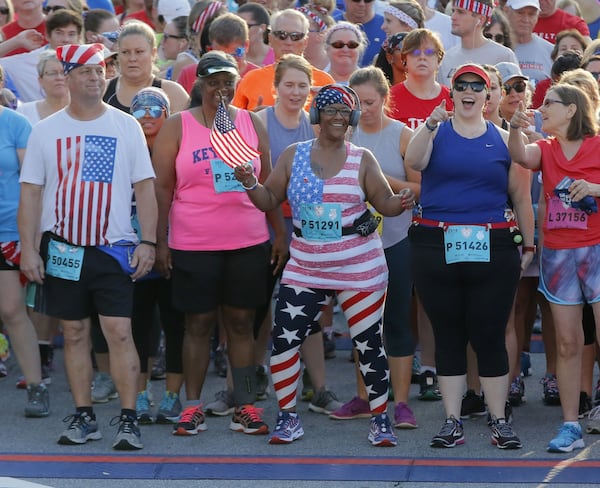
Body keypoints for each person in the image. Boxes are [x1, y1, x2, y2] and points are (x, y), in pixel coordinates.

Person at [233, 83, 415, 446]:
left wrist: (402, 201)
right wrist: (250, 182)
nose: (337, 117)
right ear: (316, 116)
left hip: (359, 266)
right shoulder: (292, 155)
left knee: (367, 344)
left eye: (344, 111)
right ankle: (288, 418)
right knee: (284, 342)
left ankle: (381, 421)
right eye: (329, 110)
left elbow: (384, 202)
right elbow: (269, 198)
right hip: (306, 267)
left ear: (353, 118)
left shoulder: (362, 157)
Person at [18, 43, 157, 450]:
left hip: (113, 247)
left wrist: (147, 240)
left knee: (118, 331)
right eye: (86, 72)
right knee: (74, 332)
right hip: (63, 249)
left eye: (100, 71)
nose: (96, 78)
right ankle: (84, 416)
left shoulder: (126, 125)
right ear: (68, 77)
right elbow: (31, 194)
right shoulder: (45, 131)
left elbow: (145, 188)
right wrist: (28, 249)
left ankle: (128, 420)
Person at [152, 51, 286, 437]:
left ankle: (245, 405)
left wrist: (279, 233)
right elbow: (162, 188)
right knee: (197, 325)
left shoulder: (250, 122)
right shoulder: (179, 126)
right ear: (199, 85)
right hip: (194, 242)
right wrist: (161, 242)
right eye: (213, 82)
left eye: (228, 82)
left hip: (247, 239)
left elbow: (269, 182)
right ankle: (191, 407)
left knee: (242, 324)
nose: (221, 90)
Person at [405, 63, 534, 450]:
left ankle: (499, 419)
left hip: (493, 246)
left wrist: (529, 245)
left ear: (488, 95)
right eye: (462, 84)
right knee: (448, 334)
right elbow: (414, 162)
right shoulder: (436, 130)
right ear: (452, 90)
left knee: (490, 333)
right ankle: (451, 420)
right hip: (435, 244)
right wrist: (429, 124)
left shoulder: (501, 136)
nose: (469, 91)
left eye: (477, 86)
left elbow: (521, 196)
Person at [508, 83, 600, 453]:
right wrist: (514, 127)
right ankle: (570, 425)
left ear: (572, 110)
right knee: (566, 342)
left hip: (596, 250)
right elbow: (520, 155)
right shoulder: (545, 148)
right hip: (559, 255)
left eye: (550, 104)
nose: (541, 109)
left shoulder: (597, 145)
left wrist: (593, 187)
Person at [329, 66, 420, 430]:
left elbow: (420, 188)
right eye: (356, 102)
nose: (363, 109)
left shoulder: (402, 135)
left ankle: (400, 403)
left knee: (396, 320)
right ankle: (365, 397)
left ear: (385, 100)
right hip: (353, 244)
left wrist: (377, 179)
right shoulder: (340, 137)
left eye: (370, 101)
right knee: (360, 324)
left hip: (395, 240)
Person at [0, 70, 50, 419]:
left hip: (7, 229)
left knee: (11, 310)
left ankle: (36, 386)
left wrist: (32, 235)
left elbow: (35, 183)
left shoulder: (16, 124)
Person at [232, 9, 335, 111]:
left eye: (296, 36)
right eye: (282, 35)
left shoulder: (324, 82)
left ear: (305, 41)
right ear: (270, 38)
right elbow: (235, 122)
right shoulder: (251, 79)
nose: (288, 42)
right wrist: (254, 118)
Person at [103, 21, 189, 114]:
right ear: (118, 55)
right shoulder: (102, 90)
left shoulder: (173, 92)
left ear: (153, 53)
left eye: (139, 52)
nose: (132, 58)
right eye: (125, 52)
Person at [437, 0, 518, 87]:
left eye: (461, 12)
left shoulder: (504, 56)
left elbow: (518, 94)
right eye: (453, 11)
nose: (453, 17)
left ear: (480, 19)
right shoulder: (446, 59)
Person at [503, 0, 553, 88]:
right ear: (506, 11)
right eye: (520, 13)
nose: (526, 19)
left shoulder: (551, 51)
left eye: (531, 14)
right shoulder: (497, 49)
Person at [16, 49, 69, 124]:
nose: (59, 78)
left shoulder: (86, 111)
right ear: (41, 80)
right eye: (52, 73)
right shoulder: (24, 112)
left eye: (64, 73)